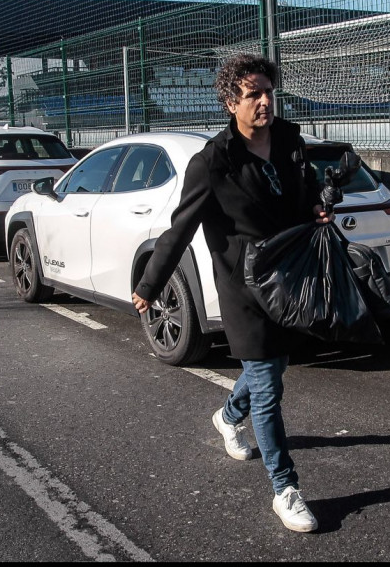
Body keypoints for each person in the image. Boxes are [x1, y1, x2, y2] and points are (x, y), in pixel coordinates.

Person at [131, 54, 332, 533]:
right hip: (243, 286)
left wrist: (319, 206)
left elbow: (303, 191)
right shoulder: (212, 162)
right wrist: (150, 286)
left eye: (268, 92)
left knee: (274, 366)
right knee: (268, 385)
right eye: (252, 95)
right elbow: (179, 228)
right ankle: (285, 488)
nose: (264, 102)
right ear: (229, 102)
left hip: (287, 278)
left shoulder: (287, 139)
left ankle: (226, 416)